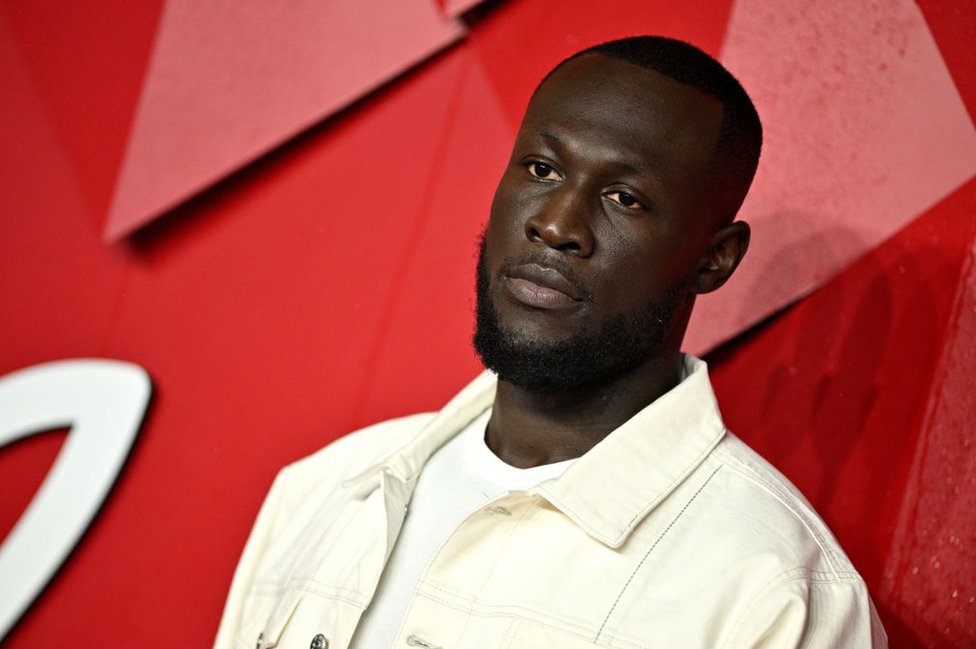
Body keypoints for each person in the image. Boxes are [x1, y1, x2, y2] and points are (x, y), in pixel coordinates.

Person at [214, 36, 887, 649]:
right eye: (541, 169)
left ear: (715, 258)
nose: (558, 224)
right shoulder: (322, 492)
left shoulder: (774, 594)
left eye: (624, 198)